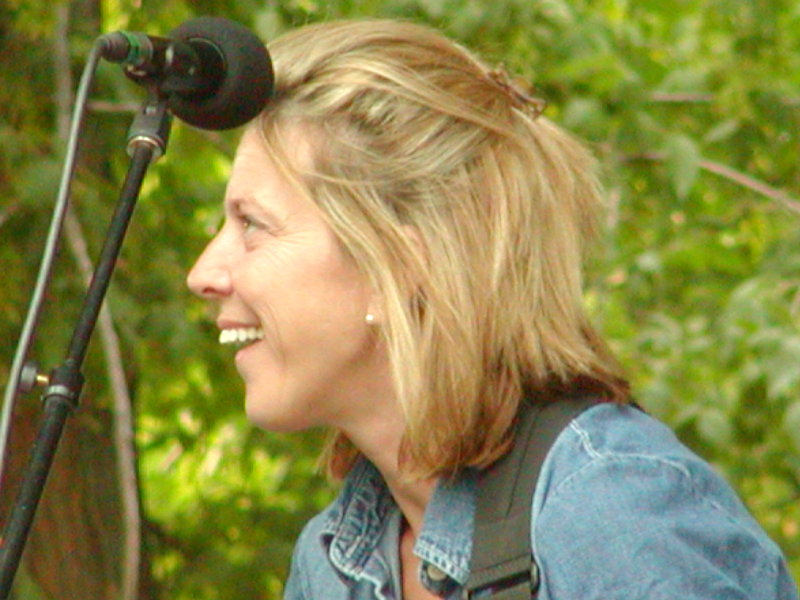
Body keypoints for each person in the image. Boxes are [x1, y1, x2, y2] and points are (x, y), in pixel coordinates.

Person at [186, 18, 799, 600]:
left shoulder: (612, 513)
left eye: (252, 224)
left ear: (400, 266)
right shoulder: (333, 560)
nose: (203, 274)